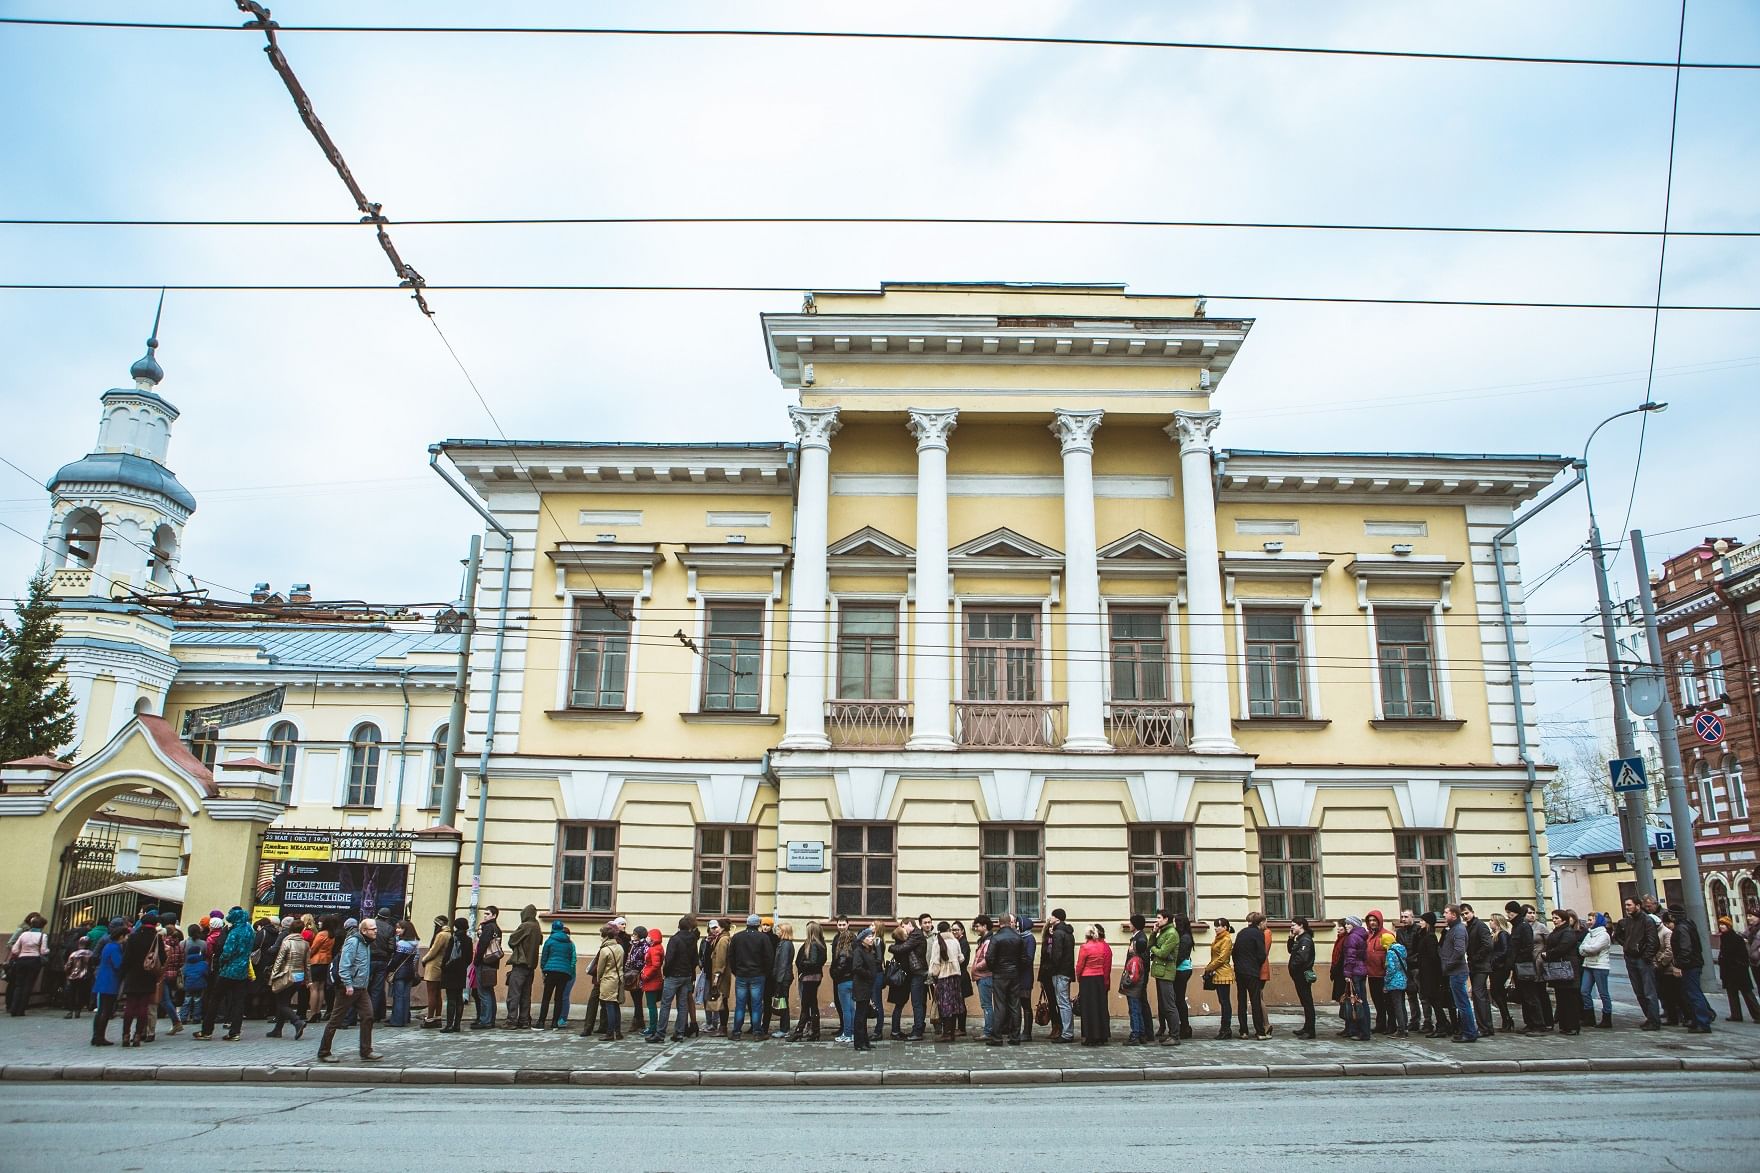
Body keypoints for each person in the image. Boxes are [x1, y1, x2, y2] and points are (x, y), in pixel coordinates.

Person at [316, 915, 381, 1062]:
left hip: (361, 988)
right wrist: (348, 984)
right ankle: (324, 1052)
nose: (376, 931)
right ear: (364, 930)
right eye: (373, 929)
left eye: (375, 928)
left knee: (368, 1016)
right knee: (336, 1020)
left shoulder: (366, 943)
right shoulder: (353, 942)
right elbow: (344, 966)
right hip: (348, 988)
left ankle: (366, 1050)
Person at [195, 907, 253, 1042]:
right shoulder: (249, 930)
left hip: (229, 970)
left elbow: (227, 951)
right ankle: (235, 1032)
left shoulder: (234, 932)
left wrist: (221, 962)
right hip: (243, 970)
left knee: (215, 999)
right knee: (238, 1002)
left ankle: (206, 1031)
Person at [1614, 896, 1663, 1030]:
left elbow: (1653, 942)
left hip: (1642, 959)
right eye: (1626, 905)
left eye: (1629, 905)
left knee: (1649, 991)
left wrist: (1646, 956)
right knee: (1639, 991)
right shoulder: (1628, 921)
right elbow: (1620, 936)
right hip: (1631, 957)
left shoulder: (1647, 920)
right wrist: (1627, 946)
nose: (1627, 907)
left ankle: (1654, 1020)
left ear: (1637, 906)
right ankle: (1649, 1017)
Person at [117, 911, 162, 1047]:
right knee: (143, 1007)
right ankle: (137, 1035)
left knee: (130, 1006)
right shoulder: (156, 938)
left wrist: (123, 974)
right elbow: (163, 958)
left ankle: (125, 1035)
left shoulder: (133, 937)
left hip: (132, 974)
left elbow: (126, 958)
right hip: (148, 975)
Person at [1667, 904, 1714, 1033]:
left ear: (1672, 916)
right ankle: (1697, 1020)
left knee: (1693, 994)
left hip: (1690, 965)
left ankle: (1703, 1022)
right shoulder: (1688, 924)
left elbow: (1685, 948)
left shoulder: (1681, 928)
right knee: (1691, 993)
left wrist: (1678, 965)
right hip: (1694, 963)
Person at [266, 917, 310, 1039]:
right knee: (285, 1000)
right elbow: (307, 964)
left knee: (281, 1003)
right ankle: (278, 1029)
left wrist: (273, 977)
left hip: (286, 974)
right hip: (299, 976)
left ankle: (297, 1022)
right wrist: (308, 980)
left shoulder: (287, 942)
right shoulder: (305, 944)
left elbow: (279, 961)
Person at [1541, 908, 1583, 1035]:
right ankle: (1564, 1025)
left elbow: (1563, 947)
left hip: (1567, 968)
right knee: (1561, 998)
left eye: (1556, 918)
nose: (1554, 921)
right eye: (1553, 918)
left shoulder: (1568, 932)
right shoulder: (1557, 931)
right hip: (1558, 969)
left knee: (1570, 999)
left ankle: (1573, 1026)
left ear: (1563, 919)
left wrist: (1548, 954)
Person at [985, 913, 1023, 1046]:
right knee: (1015, 1005)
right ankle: (1015, 1037)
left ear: (999, 923)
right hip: (1014, 974)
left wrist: (994, 968)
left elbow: (989, 958)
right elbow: (1023, 958)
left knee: (1000, 1005)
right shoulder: (1018, 937)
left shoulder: (996, 938)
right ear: (1010, 922)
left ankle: (997, 1037)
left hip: (1000, 975)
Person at [658, 914, 698, 1043]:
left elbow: (669, 959)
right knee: (682, 1005)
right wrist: (690, 973)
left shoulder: (674, 939)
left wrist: (666, 972)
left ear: (679, 926)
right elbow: (695, 959)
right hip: (686, 975)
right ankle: (679, 1033)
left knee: (666, 1005)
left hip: (673, 975)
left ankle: (660, 1033)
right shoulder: (693, 939)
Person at [728, 913, 768, 1041]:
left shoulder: (737, 937)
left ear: (747, 923)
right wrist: (764, 972)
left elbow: (731, 957)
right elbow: (769, 957)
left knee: (740, 1004)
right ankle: (757, 1032)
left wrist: (736, 971)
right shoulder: (763, 938)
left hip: (741, 974)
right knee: (756, 1004)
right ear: (758, 924)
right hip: (757, 974)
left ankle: (736, 1032)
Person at [1440, 905, 1476, 1043]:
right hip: (1454, 971)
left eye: (1446, 912)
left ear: (1454, 915)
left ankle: (1469, 1033)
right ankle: (1468, 1031)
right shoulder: (1454, 929)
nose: (1444, 915)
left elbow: (1459, 951)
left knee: (1462, 1004)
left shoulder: (1459, 930)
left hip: (1457, 972)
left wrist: (1448, 964)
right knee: (1461, 1003)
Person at [1073, 923, 1112, 1046]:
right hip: (1099, 978)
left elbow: (1080, 965)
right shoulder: (1102, 946)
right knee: (1099, 1006)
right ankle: (1100, 1035)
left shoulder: (1084, 947)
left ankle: (1089, 1035)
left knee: (1088, 1008)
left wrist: (1078, 977)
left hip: (1087, 978)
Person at [89, 919, 127, 1046]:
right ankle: (100, 1036)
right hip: (110, 980)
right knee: (106, 1010)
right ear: (121, 936)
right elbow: (118, 965)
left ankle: (96, 1035)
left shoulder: (107, 946)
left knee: (101, 1010)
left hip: (102, 979)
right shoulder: (115, 948)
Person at [503, 903, 540, 1030]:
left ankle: (511, 1020)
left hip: (520, 965)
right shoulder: (537, 926)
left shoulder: (525, 926)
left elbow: (512, 940)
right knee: (526, 995)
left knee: (514, 994)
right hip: (531, 966)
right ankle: (524, 1020)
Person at [1716, 916, 1760, 1022]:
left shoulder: (1736, 938)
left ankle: (1757, 1015)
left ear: (1729, 926)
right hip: (1728, 971)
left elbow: (1742, 955)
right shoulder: (1724, 937)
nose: (1721, 926)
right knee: (1732, 993)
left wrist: (1738, 965)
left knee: (1747, 993)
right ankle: (1736, 1015)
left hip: (1738, 971)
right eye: (1720, 924)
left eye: (1724, 924)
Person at [1234, 911, 1270, 1040]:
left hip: (1240, 971)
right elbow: (1261, 954)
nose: (1266, 925)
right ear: (1260, 923)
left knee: (1241, 1001)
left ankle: (1243, 1031)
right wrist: (1256, 964)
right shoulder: (1258, 934)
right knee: (1255, 1001)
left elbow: (1235, 951)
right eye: (1265, 922)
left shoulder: (1242, 933)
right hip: (1252, 971)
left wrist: (1238, 966)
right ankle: (1260, 1032)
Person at [5, 912, 50, 1016]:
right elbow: (44, 951)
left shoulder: (24, 934)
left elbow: (15, 949)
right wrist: (47, 950)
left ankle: (13, 1008)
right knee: (28, 985)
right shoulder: (43, 936)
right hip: (34, 960)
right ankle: (21, 1009)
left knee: (18, 985)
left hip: (21, 960)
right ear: (42, 926)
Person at [1461, 902, 1494, 1038]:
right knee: (1479, 996)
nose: (1465, 916)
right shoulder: (1469, 927)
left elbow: (1488, 945)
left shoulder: (1480, 926)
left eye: (1467, 913)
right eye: (1462, 914)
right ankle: (1485, 1026)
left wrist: (1475, 957)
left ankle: (1485, 1027)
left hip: (1481, 966)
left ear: (1472, 912)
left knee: (1479, 995)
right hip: (1475, 965)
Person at [1042, 908, 1076, 1043]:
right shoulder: (1069, 933)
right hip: (1067, 971)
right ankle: (1068, 1031)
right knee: (1065, 1002)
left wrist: (1051, 969)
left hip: (1059, 972)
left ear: (1057, 918)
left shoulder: (1058, 933)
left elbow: (1056, 955)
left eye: (1052, 916)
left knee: (1063, 1003)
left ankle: (1067, 1033)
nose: (1050, 918)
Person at [1147, 910, 1180, 1044]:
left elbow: (1162, 952)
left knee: (1169, 1005)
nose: (1157, 920)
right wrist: (1154, 932)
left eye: (1159, 918)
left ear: (1166, 919)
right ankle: (1170, 1033)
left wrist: (1154, 949)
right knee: (1163, 1004)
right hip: (1160, 971)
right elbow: (1150, 945)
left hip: (1166, 972)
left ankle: (1175, 1035)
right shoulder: (1163, 932)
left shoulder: (1172, 934)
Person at [539, 919, 577, 1030]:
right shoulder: (569, 943)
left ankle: (541, 1022)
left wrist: (543, 969)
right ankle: (555, 1023)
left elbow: (544, 957)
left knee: (546, 997)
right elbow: (571, 958)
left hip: (550, 971)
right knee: (559, 998)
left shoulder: (550, 941)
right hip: (564, 973)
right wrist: (568, 971)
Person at [792, 920, 826, 1042]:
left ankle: (799, 1031)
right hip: (813, 977)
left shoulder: (813, 945)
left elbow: (813, 962)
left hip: (809, 977)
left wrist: (801, 965)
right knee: (812, 1004)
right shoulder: (820, 944)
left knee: (806, 1005)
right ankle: (814, 1031)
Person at [1578, 912, 1615, 1028]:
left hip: (1600, 966)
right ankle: (1589, 1017)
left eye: (1591, 920)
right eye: (1588, 920)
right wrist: (1586, 949)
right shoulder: (1589, 934)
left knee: (1603, 993)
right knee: (1584, 991)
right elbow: (1581, 949)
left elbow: (1594, 949)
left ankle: (1607, 1018)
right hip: (1588, 965)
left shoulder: (1604, 935)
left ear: (1597, 921)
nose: (1588, 922)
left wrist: (1586, 948)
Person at [930, 920, 963, 1042]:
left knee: (944, 1005)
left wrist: (934, 975)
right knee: (954, 1005)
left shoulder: (937, 942)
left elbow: (935, 963)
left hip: (943, 977)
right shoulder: (955, 941)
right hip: (955, 977)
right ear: (949, 929)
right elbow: (961, 958)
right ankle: (952, 1032)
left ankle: (946, 1033)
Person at [471, 906, 503, 1029]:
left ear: (494, 915)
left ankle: (485, 1020)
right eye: (484, 913)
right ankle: (490, 1019)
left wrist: (477, 960)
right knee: (489, 991)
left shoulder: (488, 927)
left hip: (485, 963)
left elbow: (483, 945)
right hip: (492, 962)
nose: (485, 916)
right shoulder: (496, 928)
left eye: (488, 913)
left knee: (483, 992)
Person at [1120, 915, 1151, 1044]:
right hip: (1138, 979)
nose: (1129, 924)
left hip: (1135, 982)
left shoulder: (1140, 940)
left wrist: (1126, 981)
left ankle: (1136, 1034)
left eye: (1131, 923)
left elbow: (1140, 963)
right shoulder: (1138, 937)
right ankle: (1142, 1033)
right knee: (1137, 1007)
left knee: (1135, 1009)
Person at [1204, 917, 1236, 1039]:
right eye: (1216, 926)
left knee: (1225, 1002)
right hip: (1217, 972)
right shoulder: (1219, 938)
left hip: (1223, 973)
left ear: (1226, 927)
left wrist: (1209, 967)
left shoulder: (1226, 939)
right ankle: (1224, 1029)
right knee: (1222, 1001)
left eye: (1219, 926)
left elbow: (1222, 958)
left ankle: (1226, 1029)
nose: (1216, 928)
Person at [593, 924, 626, 1040]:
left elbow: (600, 969)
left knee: (609, 1006)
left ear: (605, 936)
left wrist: (599, 979)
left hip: (608, 979)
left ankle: (610, 1033)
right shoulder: (620, 948)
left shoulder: (605, 950)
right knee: (616, 1006)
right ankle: (618, 1032)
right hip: (619, 978)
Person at [1339, 914, 1369, 1041]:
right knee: (1362, 1001)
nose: (1346, 926)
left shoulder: (1352, 938)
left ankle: (1361, 1031)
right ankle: (1364, 1030)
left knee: (1356, 1002)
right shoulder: (1362, 936)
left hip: (1355, 971)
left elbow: (1350, 957)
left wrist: (1347, 974)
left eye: (1348, 923)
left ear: (1354, 925)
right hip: (1361, 970)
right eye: (1345, 923)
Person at [850, 925, 880, 1052]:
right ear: (862, 939)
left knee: (864, 1015)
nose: (871, 938)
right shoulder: (859, 951)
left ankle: (865, 1041)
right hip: (861, 986)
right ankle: (859, 1042)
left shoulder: (869, 950)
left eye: (872, 935)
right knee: (860, 1015)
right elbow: (857, 967)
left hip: (867, 986)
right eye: (868, 936)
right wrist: (868, 975)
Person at [440, 917, 471, 1033]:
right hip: (461, 972)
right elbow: (469, 959)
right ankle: (457, 1025)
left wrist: (444, 966)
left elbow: (448, 955)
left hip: (451, 972)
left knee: (451, 999)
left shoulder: (454, 938)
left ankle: (449, 1025)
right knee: (459, 998)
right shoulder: (468, 940)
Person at [419, 915, 451, 1029]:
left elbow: (434, 950)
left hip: (434, 966)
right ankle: (437, 1017)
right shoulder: (449, 934)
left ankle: (430, 1018)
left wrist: (424, 959)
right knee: (438, 994)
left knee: (432, 993)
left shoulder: (441, 935)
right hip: (441, 966)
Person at [1288, 916, 1317, 1038]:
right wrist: (1290, 939)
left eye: (1294, 924)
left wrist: (1293, 967)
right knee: (1305, 1002)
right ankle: (1307, 1027)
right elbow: (1291, 951)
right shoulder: (1299, 939)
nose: (1291, 927)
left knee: (1307, 1002)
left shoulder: (1305, 940)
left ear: (1301, 925)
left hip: (1302, 974)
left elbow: (1302, 958)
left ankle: (1310, 1030)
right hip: (1298, 974)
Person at [829, 916, 857, 1042]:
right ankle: (850, 1031)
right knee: (851, 1008)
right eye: (839, 925)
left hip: (843, 979)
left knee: (846, 1008)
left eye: (843, 924)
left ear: (848, 924)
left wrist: (834, 973)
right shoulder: (838, 938)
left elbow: (840, 963)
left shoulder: (847, 942)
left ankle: (847, 1033)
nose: (841, 927)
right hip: (850, 979)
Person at [387, 920, 420, 1027]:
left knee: (399, 997)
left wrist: (389, 969)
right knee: (406, 997)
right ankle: (405, 1018)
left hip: (400, 972)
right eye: (397, 927)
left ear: (406, 930)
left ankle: (397, 1021)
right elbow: (415, 958)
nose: (397, 930)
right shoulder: (415, 943)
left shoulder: (402, 944)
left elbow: (396, 960)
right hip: (410, 972)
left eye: (400, 928)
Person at [1363, 910, 1390, 1035]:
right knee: (1377, 1001)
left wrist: (1387, 970)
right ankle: (1380, 1024)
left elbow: (1390, 955)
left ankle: (1391, 1025)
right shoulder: (1368, 936)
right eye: (1370, 921)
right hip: (1372, 973)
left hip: (1383, 974)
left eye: (1374, 920)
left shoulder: (1386, 935)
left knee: (1387, 1001)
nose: (1372, 923)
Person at [1487, 913, 1516, 1032]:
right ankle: (1506, 1019)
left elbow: (1504, 951)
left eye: (1492, 920)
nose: (1490, 922)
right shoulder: (1494, 935)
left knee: (1496, 992)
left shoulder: (1503, 934)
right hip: (1495, 967)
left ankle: (1507, 1019)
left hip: (1500, 968)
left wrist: (1492, 960)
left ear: (1497, 923)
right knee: (1497, 993)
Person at [704, 919, 731, 1036]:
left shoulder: (723, 940)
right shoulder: (719, 939)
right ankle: (722, 1027)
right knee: (721, 1000)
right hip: (720, 975)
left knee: (722, 1001)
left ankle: (723, 1028)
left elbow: (720, 959)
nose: (714, 930)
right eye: (713, 928)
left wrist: (717, 975)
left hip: (721, 976)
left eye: (716, 927)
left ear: (722, 928)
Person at [308, 916, 337, 1022]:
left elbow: (314, 948)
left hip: (317, 961)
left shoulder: (321, 934)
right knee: (321, 988)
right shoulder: (332, 935)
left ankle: (312, 1013)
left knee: (314, 988)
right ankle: (318, 1012)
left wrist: (307, 958)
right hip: (326, 961)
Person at [970, 915, 994, 1040]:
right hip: (984, 976)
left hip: (985, 976)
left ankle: (988, 1031)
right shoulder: (984, 940)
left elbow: (987, 959)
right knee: (987, 1005)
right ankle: (990, 1030)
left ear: (985, 926)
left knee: (987, 1005)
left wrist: (976, 967)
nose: (976, 929)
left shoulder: (988, 941)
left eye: (978, 926)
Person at [1016, 914, 1038, 1042]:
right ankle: (1018, 1030)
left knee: (1026, 1004)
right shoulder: (1021, 938)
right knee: (1017, 1004)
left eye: (1019, 925)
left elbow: (1028, 959)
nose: (1017, 927)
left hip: (1025, 976)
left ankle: (1027, 1032)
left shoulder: (1029, 939)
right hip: (1019, 976)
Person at [63, 934, 94, 1020]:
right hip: (86, 976)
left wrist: (67, 973)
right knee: (82, 993)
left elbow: (68, 965)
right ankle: (78, 1010)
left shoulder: (74, 954)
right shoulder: (91, 954)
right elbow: (93, 965)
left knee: (71, 993)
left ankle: (70, 1010)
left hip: (73, 975)